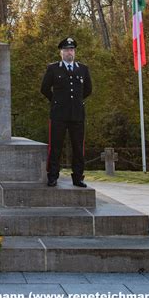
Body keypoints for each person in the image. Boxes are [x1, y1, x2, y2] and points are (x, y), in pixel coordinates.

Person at [40, 37, 92, 188]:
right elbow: (44, 89)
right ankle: (53, 176)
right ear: (61, 52)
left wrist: (76, 102)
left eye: (72, 49)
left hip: (77, 115)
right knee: (55, 146)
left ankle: (78, 177)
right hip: (58, 115)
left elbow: (88, 89)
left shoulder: (83, 69)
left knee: (78, 147)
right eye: (67, 50)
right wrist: (56, 101)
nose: (70, 52)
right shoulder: (53, 68)